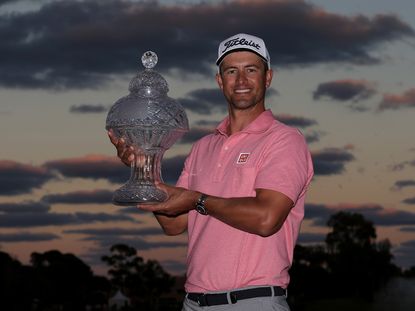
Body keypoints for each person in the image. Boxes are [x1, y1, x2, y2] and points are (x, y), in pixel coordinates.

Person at [108, 33, 314, 310]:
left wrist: (197, 200)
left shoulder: (284, 140)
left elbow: (267, 218)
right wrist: (143, 167)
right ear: (220, 81)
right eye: (232, 71)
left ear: (268, 77)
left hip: (253, 300)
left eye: (251, 70)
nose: (241, 80)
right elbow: (173, 224)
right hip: (193, 302)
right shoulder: (203, 147)